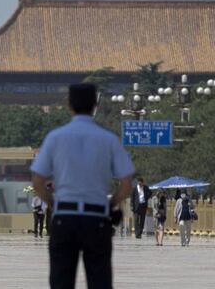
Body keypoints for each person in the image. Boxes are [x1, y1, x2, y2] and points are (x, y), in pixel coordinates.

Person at [30, 83, 135, 288]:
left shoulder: (55, 137)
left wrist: (53, 203)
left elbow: (37, 181)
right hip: (96, 220)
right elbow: (126, 184)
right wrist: (111, 204)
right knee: (99, 281)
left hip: (65, 219)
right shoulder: (108, 139)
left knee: (61, 282)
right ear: (95, 104)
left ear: (69, 105)